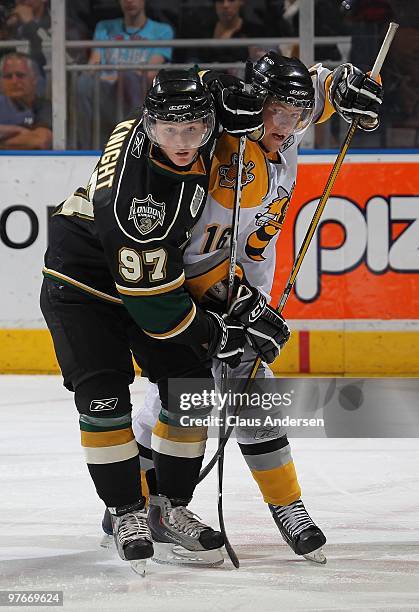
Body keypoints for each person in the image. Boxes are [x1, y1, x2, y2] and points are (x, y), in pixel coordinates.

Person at [125, 51, 384, 565]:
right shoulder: (215, 148)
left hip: (245, 294)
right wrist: (240, 307)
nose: (287, 127)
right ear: (250, 107)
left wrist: (347, 84)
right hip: (195, 293)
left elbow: (315, 89)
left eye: (297, 116)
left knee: (245, 393)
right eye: (276, 113)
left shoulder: (282, 126)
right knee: (176, 397)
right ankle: (137, 501)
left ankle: (288, 504)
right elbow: (193, 253)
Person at [40, 67, 275, 571]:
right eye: (172, 131)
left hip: (149, 280)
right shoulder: (142, 206)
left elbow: (214, 81)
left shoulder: (166, 121)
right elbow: (158, 310)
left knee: (189, 389)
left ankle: (170, 509)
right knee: (104, 400)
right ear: (149, 126)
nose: (184, 141)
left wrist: (325, 90)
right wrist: (220, 331)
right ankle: (126, 510)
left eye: (194, 128)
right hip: (83, 286)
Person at [76, 0, 174, 149]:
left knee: (129, 77)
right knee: (83, 82)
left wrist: (120, 75)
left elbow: (149, 73)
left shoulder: (162, 30)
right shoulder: (104, 27)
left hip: (139, 94)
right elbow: (93, 66)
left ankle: (134, 143)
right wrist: (116, 77)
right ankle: (86, 148)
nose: (129, 1)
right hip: (106, 92)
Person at [175, 0, 266, 67]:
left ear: (241, 2)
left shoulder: (254, 31)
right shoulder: (204, 30)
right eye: (220, 1)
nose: (225, 5)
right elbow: (193, 59)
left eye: (231, 1)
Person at [0, 51, 52, 149]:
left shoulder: (44, 108)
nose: (14, 81)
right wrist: (17, 130)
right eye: (8, 77)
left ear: (34, 79)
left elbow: (40, 141)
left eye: (20, 75)